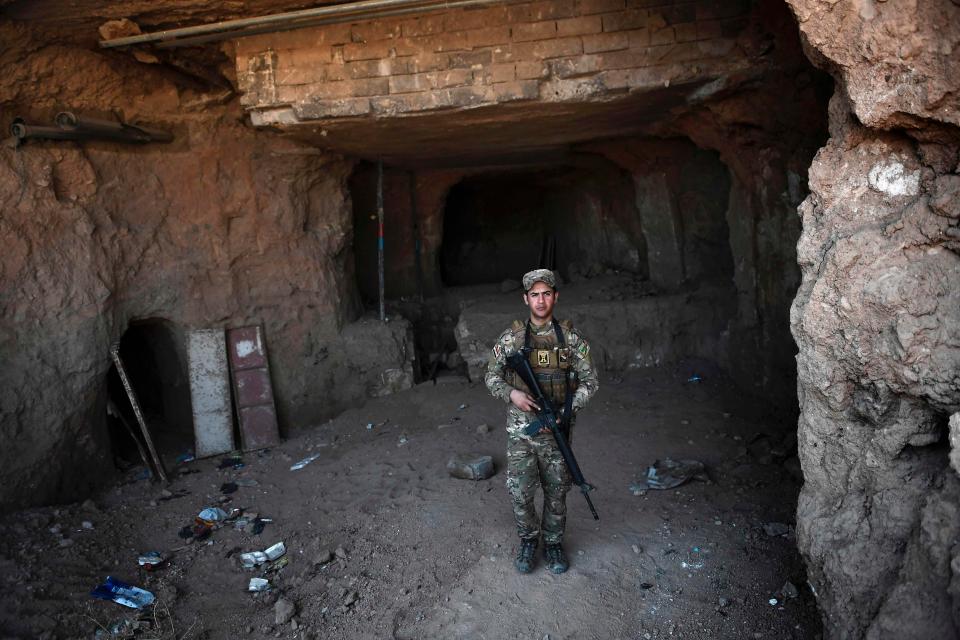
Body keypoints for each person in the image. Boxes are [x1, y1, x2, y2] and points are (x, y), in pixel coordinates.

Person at [484, 268, 599, 574]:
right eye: (534, 294)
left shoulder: (571, 341)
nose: (540, 300)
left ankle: (553, 543)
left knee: (557, 491)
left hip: (556, 429)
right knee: (520, 491)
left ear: (555, 297)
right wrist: (512, 395)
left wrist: (566, 411)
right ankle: (527, 540)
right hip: (521, 431)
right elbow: (491, 376)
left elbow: (590, 382)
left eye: (546, 293)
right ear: (526, 299)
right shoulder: (510, 339)